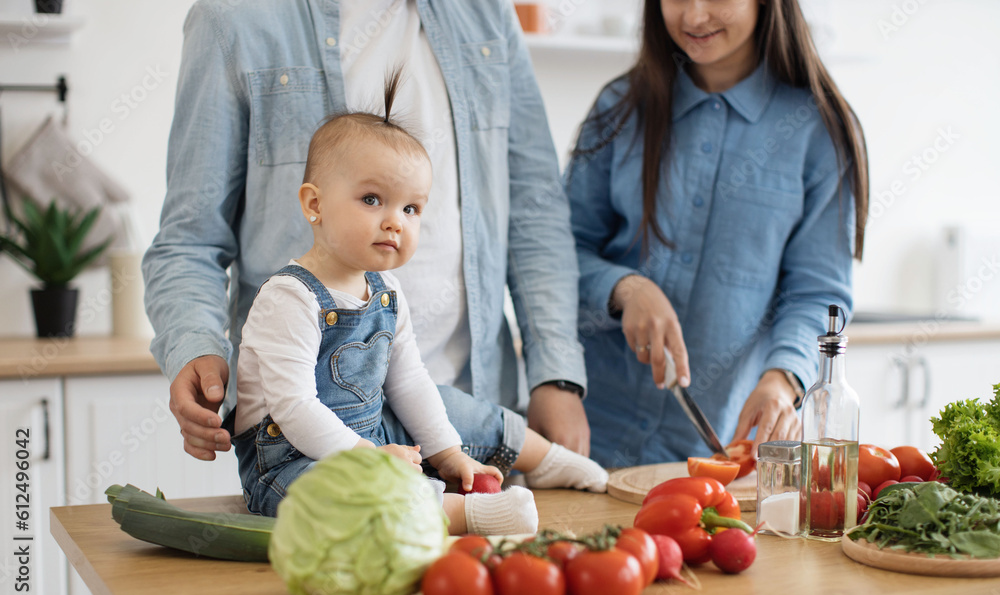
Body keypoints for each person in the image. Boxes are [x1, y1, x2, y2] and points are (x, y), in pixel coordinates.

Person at [143, 0, 591, 464]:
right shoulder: (233, 17)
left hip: (466, 409)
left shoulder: (487, 13)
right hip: (315, 430)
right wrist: (194, 344)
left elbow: (535, 213)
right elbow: (189, 239)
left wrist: (555, 375)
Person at [231, 75, 608, 534]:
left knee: (449, 404)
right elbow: (294, 407)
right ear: (315, 204)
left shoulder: (385, 290)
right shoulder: (289, 298)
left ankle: (547, 459)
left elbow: (408, 380)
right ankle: (461, 515)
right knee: (334, 501)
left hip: (371, 437)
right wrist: (370, 461)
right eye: (373, 200)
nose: (395, 222)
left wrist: (447, 452)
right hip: (290, 463)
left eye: (411, 209)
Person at [565, 0, 869, 468]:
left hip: (716, 458)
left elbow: (817, 293)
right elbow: (560, 253)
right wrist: (624, 288)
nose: (694, 17)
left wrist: (782, 378)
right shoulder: (619, 108)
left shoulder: (819, 130)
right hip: (584, 438)